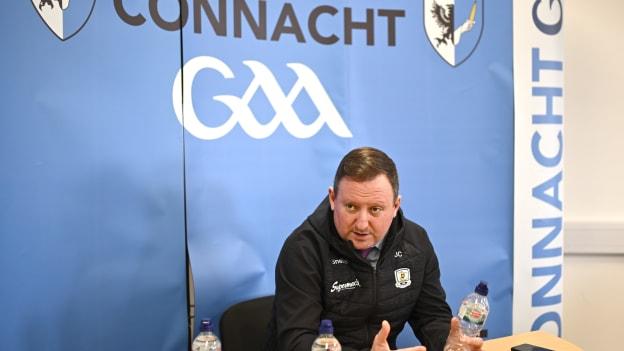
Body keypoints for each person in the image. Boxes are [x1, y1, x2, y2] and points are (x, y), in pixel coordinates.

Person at [266, 147, 483, 351]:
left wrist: (448, 343)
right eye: (351, 207)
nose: (362, 223)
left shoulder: (416, 243)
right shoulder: (303, 249)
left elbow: (431, 316)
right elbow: (296, 341)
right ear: (333, 199)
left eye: (375, 209)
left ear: (396, 206)